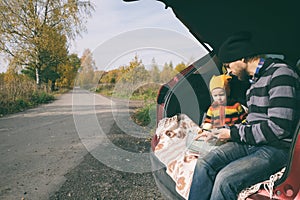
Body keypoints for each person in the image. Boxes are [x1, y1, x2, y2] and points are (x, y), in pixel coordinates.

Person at [188, 31, 299, 200]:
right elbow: (252, 123)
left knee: (225, 179)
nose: (229, 72)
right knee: (204, 163)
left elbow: (279, 128)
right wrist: (221, 131)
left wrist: (232, 134)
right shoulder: (254, 82)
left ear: (242, 58)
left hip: (276, 148)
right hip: (252, 142)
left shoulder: (281, 74)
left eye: (228, 65)